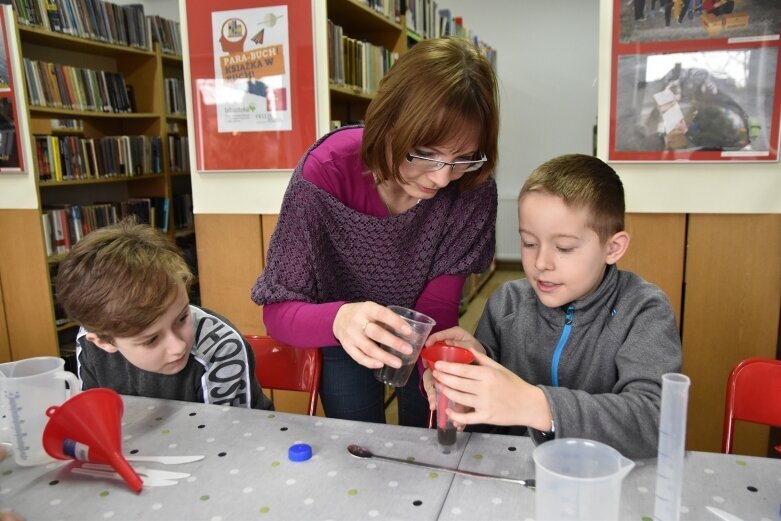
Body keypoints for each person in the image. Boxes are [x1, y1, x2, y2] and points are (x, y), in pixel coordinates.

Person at [251, 36, 499, 427]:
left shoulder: (472, 187)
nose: (441, 178)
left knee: (427, 436)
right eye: (426, 154)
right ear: (388, 122)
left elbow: (435, 311)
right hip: (339, 334)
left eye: (463, 158)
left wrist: (435, 374)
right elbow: (278, 311)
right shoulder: (326, 172)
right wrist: (338, 320)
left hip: (423, 336)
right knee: (358, 445)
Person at [423, 154, 682, 458]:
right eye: (529, 243)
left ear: (612, 248)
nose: (541, 263)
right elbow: (487, 420)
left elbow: (655, 423)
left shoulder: (644, 311)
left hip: (600, 481)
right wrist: (470, 374)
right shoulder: (507, 303)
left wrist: (536, 405)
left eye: (564, 248)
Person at [56, 220, 273, 411]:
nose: (178, 346)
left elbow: (230, 440)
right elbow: (100, 421)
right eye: (151, 339)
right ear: (104, 342)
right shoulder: (90, 341)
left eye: (182, 318)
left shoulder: (221, 348)